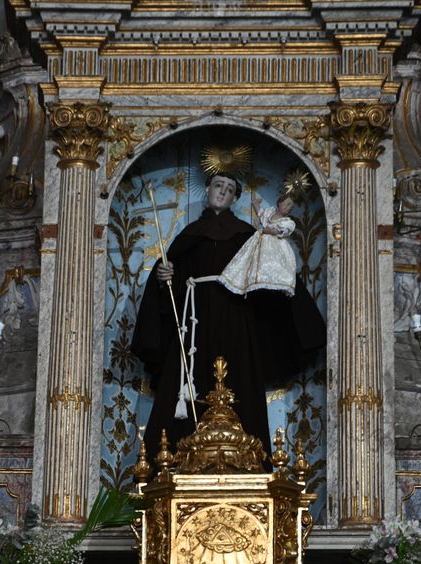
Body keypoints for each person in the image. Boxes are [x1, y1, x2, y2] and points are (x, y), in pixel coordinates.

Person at [131, 173, 325, 465]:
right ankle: (177, 461)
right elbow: (173, 278)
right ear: (207, 189)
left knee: (240, 378)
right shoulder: (190, 235)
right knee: (184, 386)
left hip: (236, 321)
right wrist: (163, 276)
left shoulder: (246, 234)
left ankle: (246, 460)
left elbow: (269, 268)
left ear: (235, 198)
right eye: (218, 185)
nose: (222, 192)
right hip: (194, 323)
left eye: (230, 188)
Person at [218, 192, 299, 297]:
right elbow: (260, 213)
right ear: (280, 202)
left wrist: (270, 231)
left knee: (271, 263)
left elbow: (282, 231)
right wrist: (255, 203)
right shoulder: (269, 213)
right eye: (287, 203)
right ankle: (247, 280)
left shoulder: (288, 222)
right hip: (258, 240)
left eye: (290, 206)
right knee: (248, 258)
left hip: (275, 246)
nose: (288, 207)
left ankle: (269, 281)